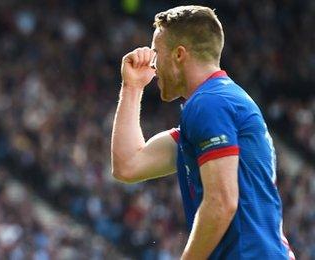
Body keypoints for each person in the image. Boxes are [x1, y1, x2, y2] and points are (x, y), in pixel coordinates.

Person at [110, 5, 294, 259]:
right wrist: (132, 87)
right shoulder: (215, 104)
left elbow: (221, 203)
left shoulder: (209, 103)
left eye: (156, 53)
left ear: (179, 55)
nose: (153, 65)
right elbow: (128, 165)